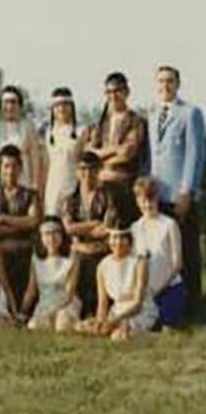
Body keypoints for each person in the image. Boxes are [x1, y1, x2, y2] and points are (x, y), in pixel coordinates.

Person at [147, 65, 205, 315]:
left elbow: (195, 155)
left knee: (187, 252)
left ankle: (194, 306)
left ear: (178, 84)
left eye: (170, 81)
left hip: (180, 197)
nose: (165, 86)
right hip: (157, 196)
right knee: (164, 254)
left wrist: (187, 192)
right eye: (161, 81)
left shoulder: (190, 114)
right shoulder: (152, 114)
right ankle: (168, 306)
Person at [85, 72, 147, 223]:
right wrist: (114, 150)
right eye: (109, 92)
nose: (113, 96)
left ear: (127, 92)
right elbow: (88, 153)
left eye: (117, 91)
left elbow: (127, 153)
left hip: (124, 187)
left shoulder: (136, 121)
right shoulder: (100, 123)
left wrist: (99, 157)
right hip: (100, 188)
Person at [0, 145, 41, 314]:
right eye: (6, 166)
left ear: (21, 168)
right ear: (0, 168)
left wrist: (5, 219)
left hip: (26, 250)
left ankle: (24, 309)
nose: (10, 171)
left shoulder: (30, 195)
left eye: (14, 166)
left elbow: (33, 221)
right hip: (1, 252)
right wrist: (19, 226)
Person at [78, 229, 158, 341]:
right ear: (109, 240)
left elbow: (138, 303)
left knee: (119, 336)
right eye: (114, 238)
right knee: (89, 328)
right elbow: (103, 303)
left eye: (122, 238)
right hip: (117, 310)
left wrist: (117, 319)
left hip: (138, 310)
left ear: (129, 241)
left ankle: (152, 335)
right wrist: (100, 322)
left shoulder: (139, 262)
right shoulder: (103, 266)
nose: (118, 242)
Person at [62, 152, 115, 318]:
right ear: (77, 171)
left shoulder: (107, 197)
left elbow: (107, 228)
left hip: (100, 249)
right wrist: (94, 224)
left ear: (98, 171)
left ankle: (98, 312)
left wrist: (81, 231)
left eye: (92, 169)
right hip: (78, 250)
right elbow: (68, 228)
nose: (87, 173)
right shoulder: (70, 199)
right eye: (83, 169)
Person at [130, 177, 186, 328]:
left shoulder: (169, 225)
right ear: (137, 201)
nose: (147, 205)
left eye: (151, 200)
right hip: (145, 291)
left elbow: (177, 263)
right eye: (143, 200)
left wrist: (160, 287)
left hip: (169, 287)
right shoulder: (134, 228)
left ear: (157, 199)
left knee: (164, 325)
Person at [21, 217, 81, 332]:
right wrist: (22, 312)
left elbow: (69, 293)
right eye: (47, 234)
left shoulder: (72, 258)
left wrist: (54, 312)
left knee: (62, 325)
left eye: (56, 232)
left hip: (66, 303)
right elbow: (31, 290)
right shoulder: (36, 259)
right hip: (45, 303)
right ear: (41, 237)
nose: (52, 238)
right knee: (34, 326)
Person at [40, 87, 85, 216]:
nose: (61, 109)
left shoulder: (82, 131)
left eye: (65, 104)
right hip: (51, 190)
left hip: (73, 188)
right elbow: (43, 165)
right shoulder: (47, 133)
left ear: (72, 107)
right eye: (57, 105)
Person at [0, 86, 42, 192]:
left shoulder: (28, 128)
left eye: (13, 102)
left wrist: (35, 184)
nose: (10, 106)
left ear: (19, 105)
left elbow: (35, 158)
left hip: (24, 183)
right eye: (6, 102)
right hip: (1, 185)